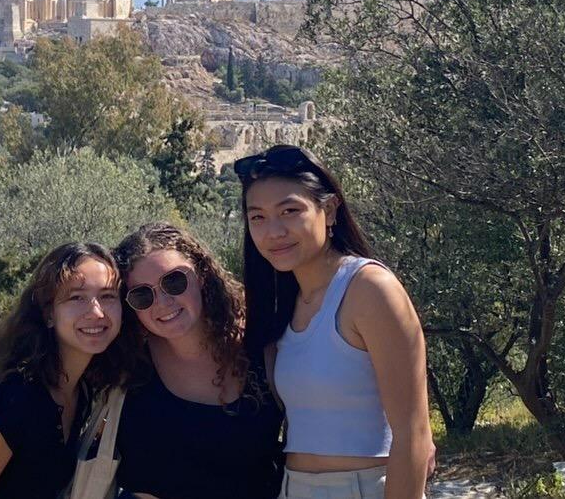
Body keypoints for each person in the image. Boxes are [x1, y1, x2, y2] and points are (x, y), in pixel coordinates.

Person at [235, 145, 433, 499]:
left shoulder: (370, 289)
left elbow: (414, 434)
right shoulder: (282, 303)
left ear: (328, 211)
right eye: (258, 217)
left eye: (290, 211)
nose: (273, 231)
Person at [0, 242, 134, 499]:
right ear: (48, 313)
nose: (96, 311)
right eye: (76, 297)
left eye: (107, 296)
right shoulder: (13, 400)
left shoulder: (84, 392)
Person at [113, 222, 284, 499]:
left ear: (202, 274)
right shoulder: (126, 365)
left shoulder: (264, 345)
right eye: (142, 295)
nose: (163, 302)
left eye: (174, 281)